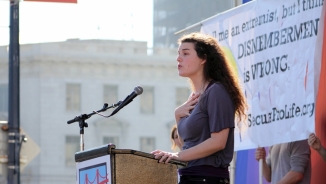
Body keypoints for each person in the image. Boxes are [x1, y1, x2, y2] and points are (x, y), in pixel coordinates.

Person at [151, 32, 248, 184]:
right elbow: (188, 146)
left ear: (203, 58)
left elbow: (218, 142)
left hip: (208, 178)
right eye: (178, 54)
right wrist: (178, 115)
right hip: (189, 176)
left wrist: (177, 156)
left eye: (185, 53)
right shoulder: (195, 97)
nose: (178, 58)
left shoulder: (216, 91)